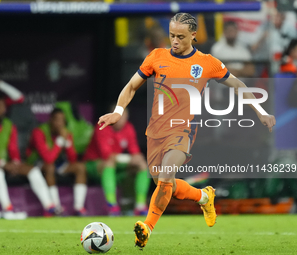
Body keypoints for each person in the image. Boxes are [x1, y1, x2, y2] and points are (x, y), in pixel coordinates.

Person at [98, 13, 276, 249]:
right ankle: (204, 197)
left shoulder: (206, 63)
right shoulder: (156, 57)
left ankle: (147, 227)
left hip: (183, 131)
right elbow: (131, 86)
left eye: (180, 37)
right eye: (172, 35)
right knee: (165, 183)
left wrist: (260, 111)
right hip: (155, 132)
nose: (174, 41)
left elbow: (238, 85)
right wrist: (119, 111)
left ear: (193, 35)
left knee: (165, 176)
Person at [0, 96, 54, 219]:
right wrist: (3, 163)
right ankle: (7, 208)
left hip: (6, 163)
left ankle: (49, 207)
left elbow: (13, 149)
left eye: (3, 106)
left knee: (33, 170)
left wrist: (15, 162)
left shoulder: (9, 125)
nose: (1, 109)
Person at [84, 108, 150, 216]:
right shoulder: (103, 126)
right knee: (109, 162)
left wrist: (136, 157)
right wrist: (129, 159)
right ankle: (111, 205)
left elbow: (134, 151)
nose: (121, 120)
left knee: (142, 164)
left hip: (116, 165)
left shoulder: (128, 127)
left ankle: (140, 205)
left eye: (124, 116)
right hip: (94, 165)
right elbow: (107, 155)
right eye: (119, 116)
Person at [26, 108, 88, 216]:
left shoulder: (66, 133)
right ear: (50, 120)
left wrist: (67, 143)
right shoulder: (39, 132)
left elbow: (72, 159)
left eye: (62, 120)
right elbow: (47, 159)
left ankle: (79, 207)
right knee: (50, 167)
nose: (60, 123)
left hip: (58, 163)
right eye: (57, 120)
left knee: (80, 167)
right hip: (37, 163)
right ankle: (55, 206)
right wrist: (59, 141)